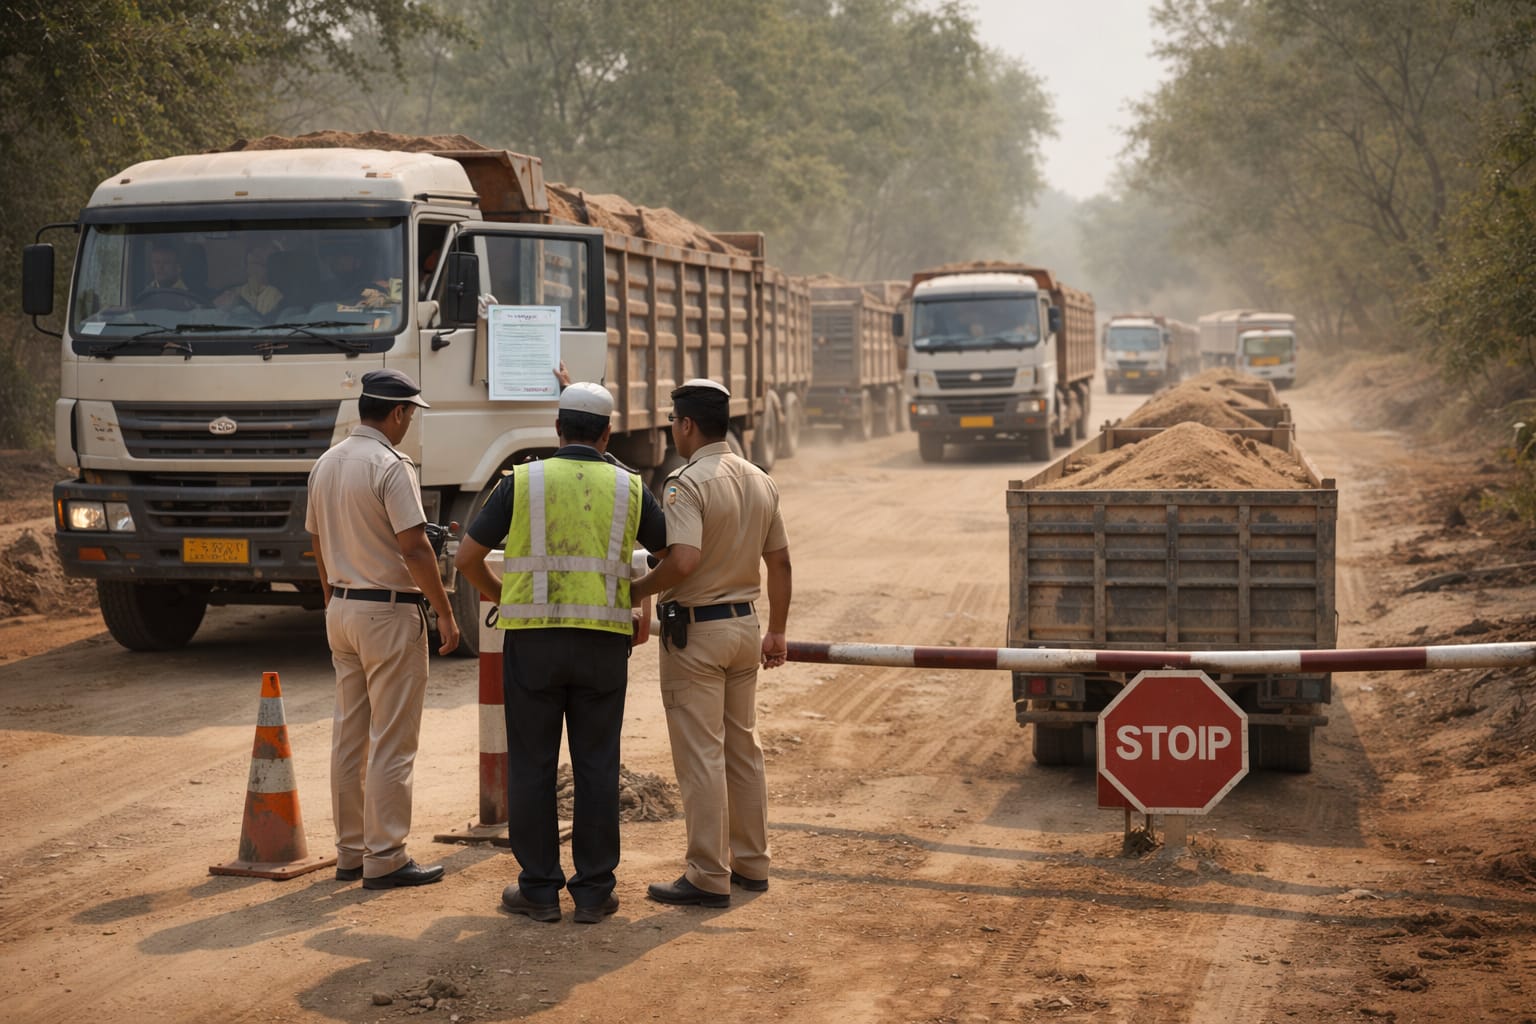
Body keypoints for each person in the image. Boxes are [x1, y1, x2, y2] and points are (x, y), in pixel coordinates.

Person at [454, 381, 667, 925]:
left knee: (532, 765)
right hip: (602, 647)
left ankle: (540, 891)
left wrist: (501, 592)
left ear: (557, 429)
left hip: (535, 644)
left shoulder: (522, 482)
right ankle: (594, 893)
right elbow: (675, 555)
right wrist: (636, 596)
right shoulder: (629, 487)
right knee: (598, 767)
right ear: (607, 433)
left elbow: (469, 557)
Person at [633, 378, 792, 908]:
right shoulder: (759, 479)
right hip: (746, 626)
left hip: (696, 632)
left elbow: (682, 561)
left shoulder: (685, 483)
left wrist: (633, 589)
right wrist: (779, 631)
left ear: (686, 425)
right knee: (743, 749)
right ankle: (751, 863)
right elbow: (781, 563)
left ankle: (707, 874)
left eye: (673, 423)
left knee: (702, 756)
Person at [305, 368, 460, 890]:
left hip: (342, 609)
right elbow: (415, 548)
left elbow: (317, 541)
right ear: (396, 413)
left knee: (349, 738)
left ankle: (351, 852)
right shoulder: (392, 467)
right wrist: (444, 610)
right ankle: (386, 855)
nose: (409, 423)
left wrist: (331, 598)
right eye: (409, 414)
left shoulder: (325, 463)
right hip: (388, 613)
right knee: (393, 740)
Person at [215, 245, 283, 316]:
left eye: (260, 264)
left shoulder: (274, 295)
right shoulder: (231, 291)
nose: (255, 269)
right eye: (253, 263)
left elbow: (263, 322)